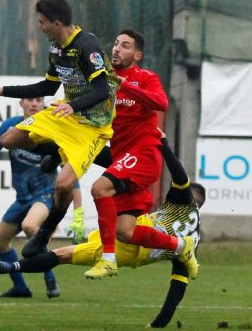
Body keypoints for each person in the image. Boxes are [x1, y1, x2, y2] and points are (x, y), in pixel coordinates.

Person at [0, 133, 206, 328]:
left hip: (133, 231)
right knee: (62, 255)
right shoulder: (194, 242)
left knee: (118, 169)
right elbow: (178, 283)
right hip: (126, 255)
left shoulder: (184, 200)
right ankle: (9, 266)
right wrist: (160, 322)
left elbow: (180, 176)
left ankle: (62, 151)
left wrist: (163, 144)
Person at [0, 0, 118, 259]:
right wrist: (2, 90)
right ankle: (57, 150)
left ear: (56, 22)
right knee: (8, 139)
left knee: (64, 186)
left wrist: (73, 107)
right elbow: (48, 87)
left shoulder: (87, 46)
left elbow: (101, 90)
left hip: (91, 126)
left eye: (42, 23)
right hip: (65, 113)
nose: (39, 28)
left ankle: (45, 232)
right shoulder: (56, 49)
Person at [84, 29, 196, 280]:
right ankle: (181, 246)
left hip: (144, 154)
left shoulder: (145, 77)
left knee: (99, 188)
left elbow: (161, 103)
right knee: (125, 231)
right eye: (115, 43)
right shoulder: (102, 82)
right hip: (123, 158)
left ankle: (108, 260)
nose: (116, 49)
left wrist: (124, 84)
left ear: (137, 54)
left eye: (125, 45)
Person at [0, 97, 84, 299]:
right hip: (22, 198)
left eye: (38, 100)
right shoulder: (12, 126)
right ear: (21, 104)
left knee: (31, 226)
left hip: (45, 195)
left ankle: (50, 278)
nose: (34, 104)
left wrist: (78, 212)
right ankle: (21, 288)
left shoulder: (52, 130)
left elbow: (71, 176)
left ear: (43, 105)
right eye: (30, 100)